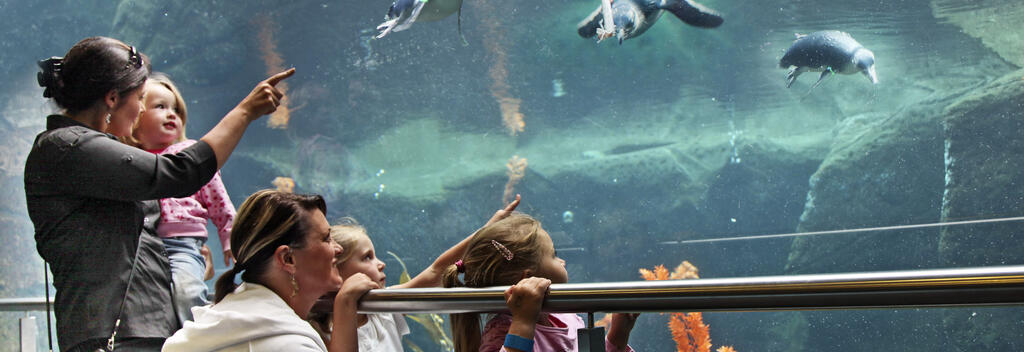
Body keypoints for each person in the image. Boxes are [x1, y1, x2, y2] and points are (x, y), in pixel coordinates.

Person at [26, 36, 293, 351]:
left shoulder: (87, 150)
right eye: (140, 98)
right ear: (112, 98)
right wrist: (245, 112)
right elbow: (179, 173)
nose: (140, 109)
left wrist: (182, 258)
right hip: (118, 336)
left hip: (142, 331)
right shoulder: (69, 146)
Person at [162, 190, 379, 352]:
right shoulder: (286, 343)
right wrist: (346, 304)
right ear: (288, 259)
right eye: (325, 238)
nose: (337, 248)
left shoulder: (237, 314)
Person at [310, 195, 521, 351]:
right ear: (335, 267)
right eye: (367, 257)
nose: (381, 264)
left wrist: (486, 231)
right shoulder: (319, 332)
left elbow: (436, 271)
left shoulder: (384, 309)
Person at [125, 72, 237, 323]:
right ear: (136, 116)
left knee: (187, 292)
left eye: (175, 108)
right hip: (141, 243)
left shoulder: (187, 153)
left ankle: (198, 338)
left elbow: (218, 200)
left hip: (182, 242)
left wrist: (230, 235)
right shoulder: (129, 156)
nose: (171, 114)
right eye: (160, 107)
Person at [442, 213, 639, 352]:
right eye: (554, 255)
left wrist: (617, 338)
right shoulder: (502, 331)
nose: (562, 261)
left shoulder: (565, 315)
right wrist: (523, 324)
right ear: (528, 279)